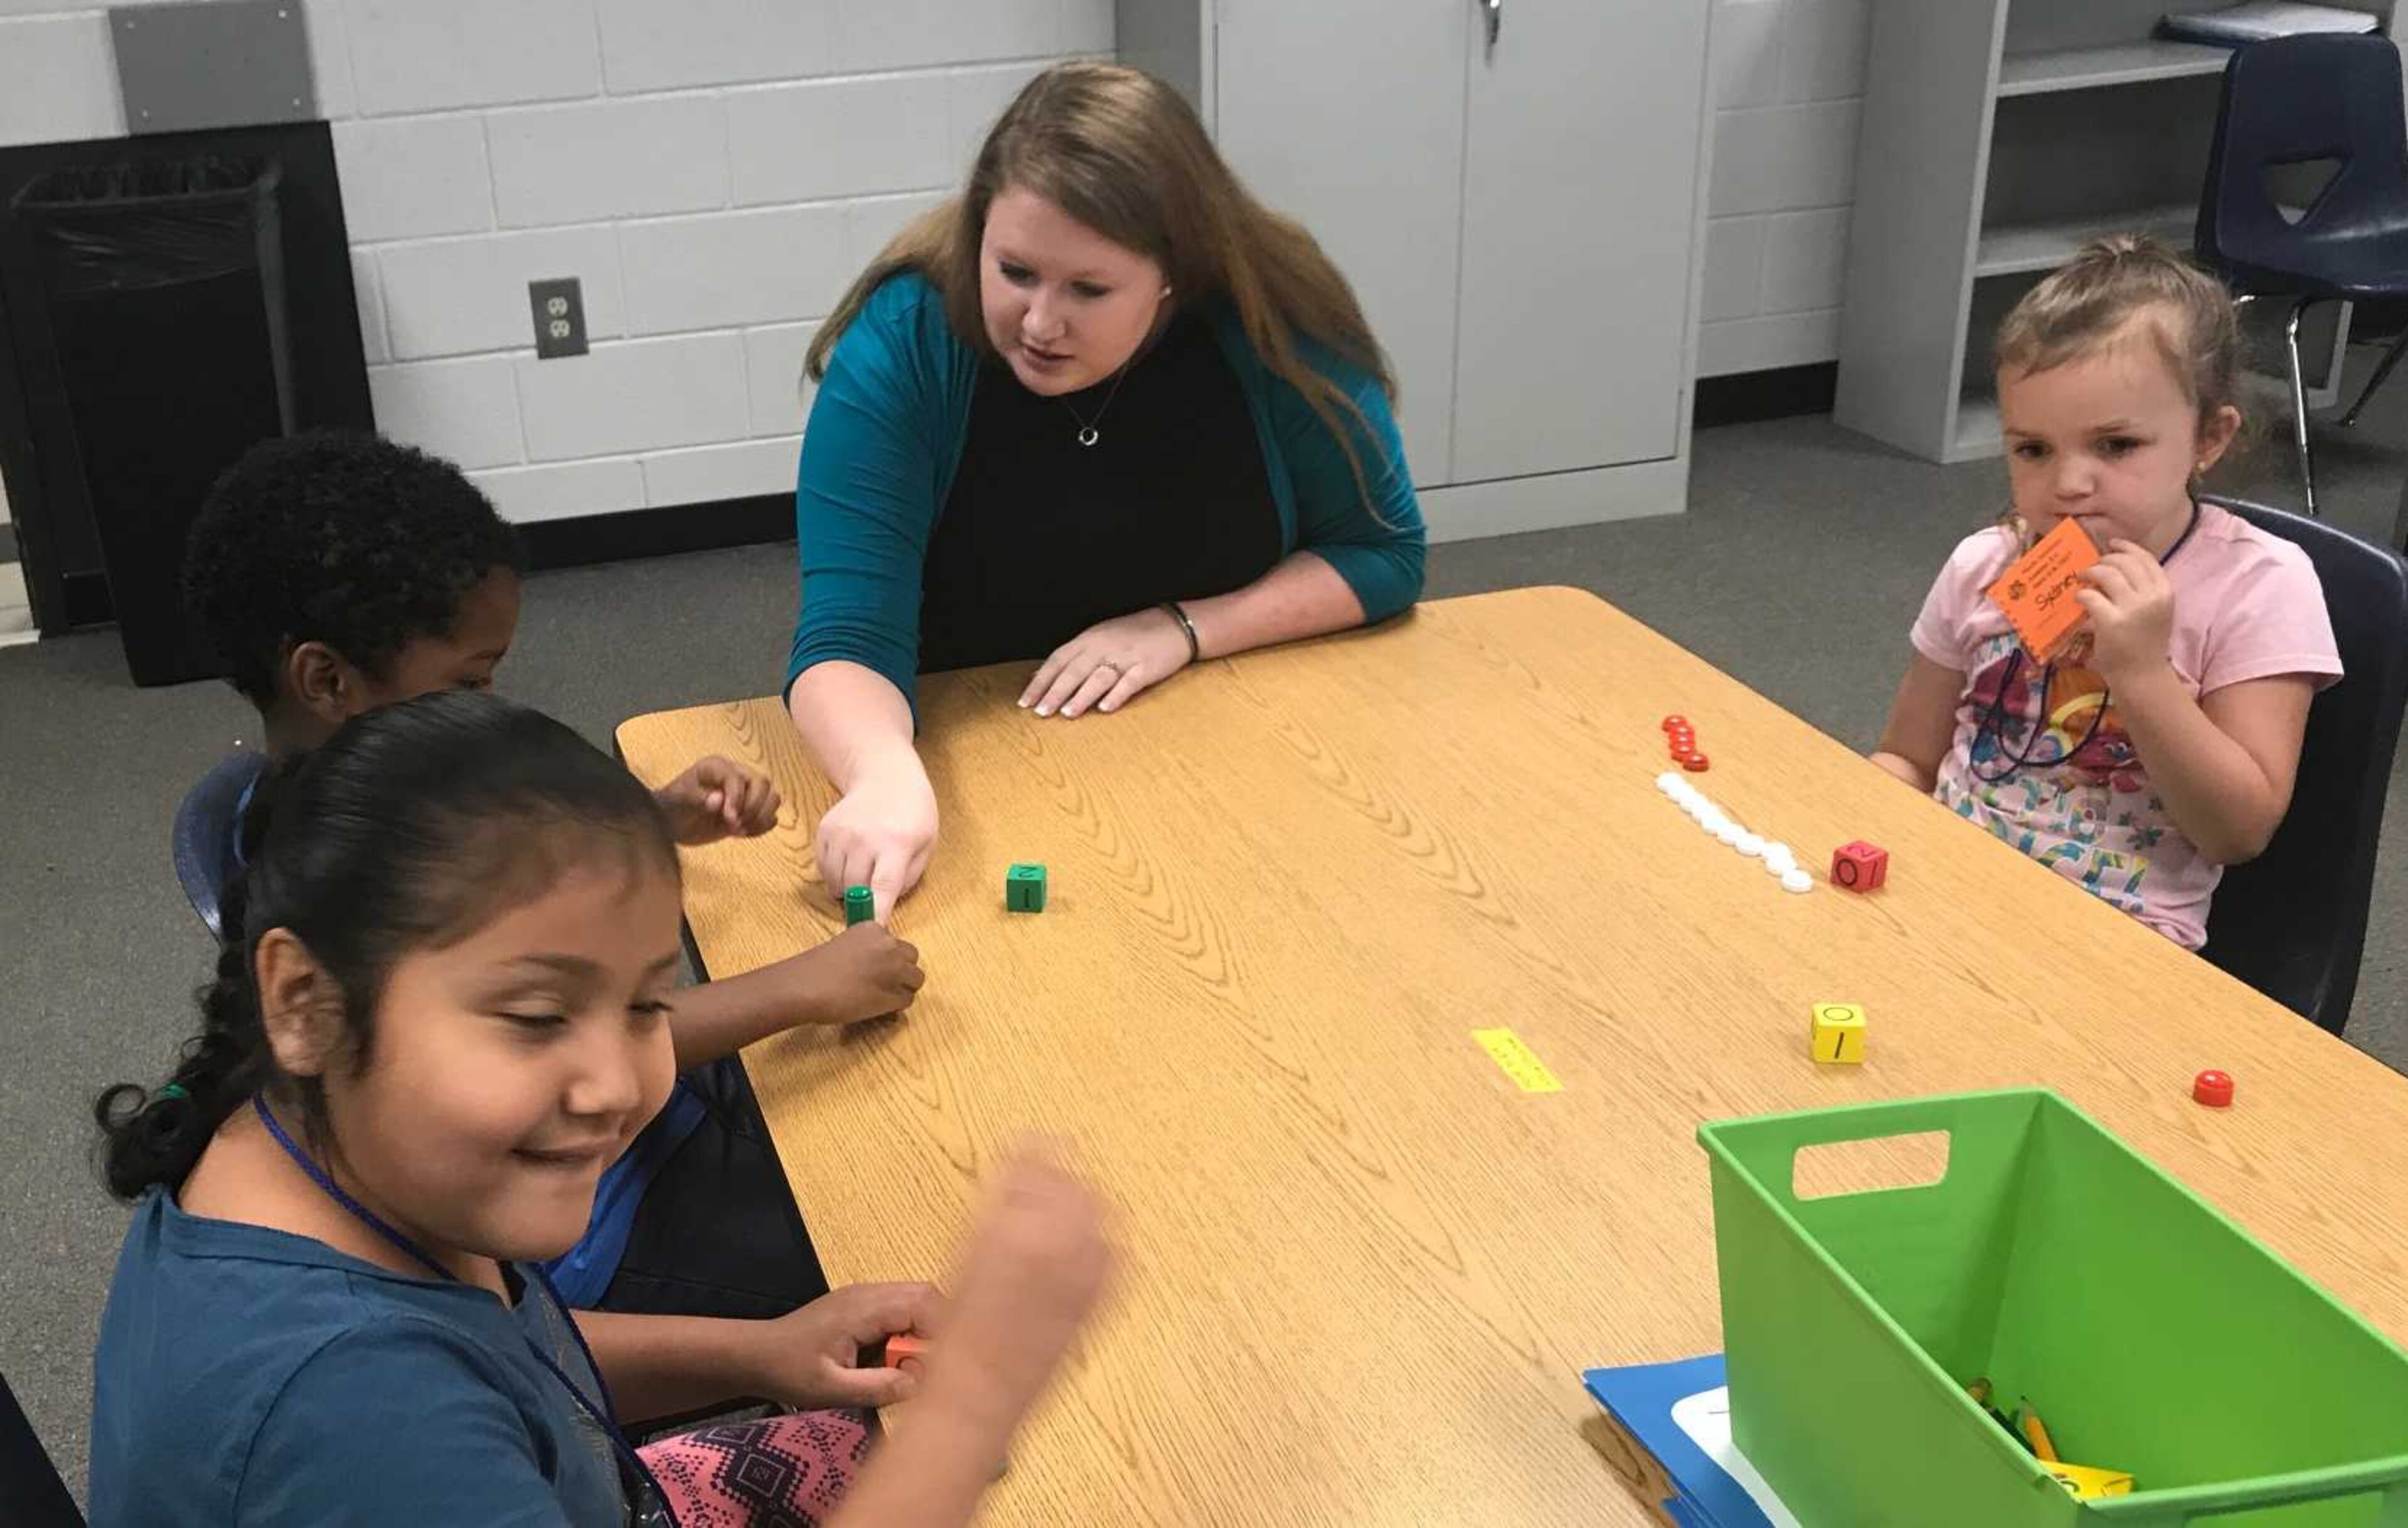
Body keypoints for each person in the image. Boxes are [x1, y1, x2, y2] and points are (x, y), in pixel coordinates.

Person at [91, 693, 1108, 1527]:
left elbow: (504, 1348)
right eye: (536, 1016)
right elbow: (433, 1405)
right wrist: (975, 1402)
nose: (619, 1084)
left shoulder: (314, 1146)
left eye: (648, 1004)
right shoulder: (351, 1414)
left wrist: (763, 1351)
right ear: (304, 1002)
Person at [182, 431, 924, 1319]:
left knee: (887, 1117)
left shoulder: (339, 810)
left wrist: (648, 821)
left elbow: (498, 916)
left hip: (621, 1131)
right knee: (902, 1226)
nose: (492, 706)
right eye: (470, 681)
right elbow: (558, 1042)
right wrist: (801, 989)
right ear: (327, 680)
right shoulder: (327, 874)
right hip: (582, 1224)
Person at [785, 61, 1427, 920]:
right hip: (985, 747)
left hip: (1227, 746)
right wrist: (882, 775)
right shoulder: (905, 345)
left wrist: (1186, 629)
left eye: (1089, 289)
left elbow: (1383, 550)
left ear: (1174, 275)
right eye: (1015, 271)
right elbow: (846, 635)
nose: (1042, 323)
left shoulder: (1276, 320)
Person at [1871, 235, 2342, 947]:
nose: (2067, 484)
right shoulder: (1986, 565)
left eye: (2116, 445)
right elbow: (1908, 756)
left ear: (2208, 438)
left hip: (2119, 940)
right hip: (1942, 887)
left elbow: (2237, 832)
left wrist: (2139, 672)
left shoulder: (2262, 587)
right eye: (2033, 449)